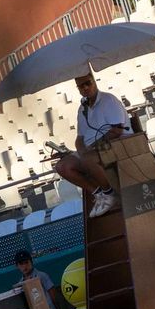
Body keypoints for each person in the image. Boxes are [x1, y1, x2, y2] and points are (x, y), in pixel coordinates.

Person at [54, 73, 133, 218]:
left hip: (116, 144)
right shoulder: (82, 108)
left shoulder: (108, 100)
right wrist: (81, 150)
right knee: (62, 167)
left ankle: (109, 194)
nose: (85, 88)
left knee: (87, 158)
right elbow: (79, 138)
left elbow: (117, 130)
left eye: (87, 83)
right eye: (81, 86)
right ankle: (100, 195)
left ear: (94, 82)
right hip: (92, 150)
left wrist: (90, 149)